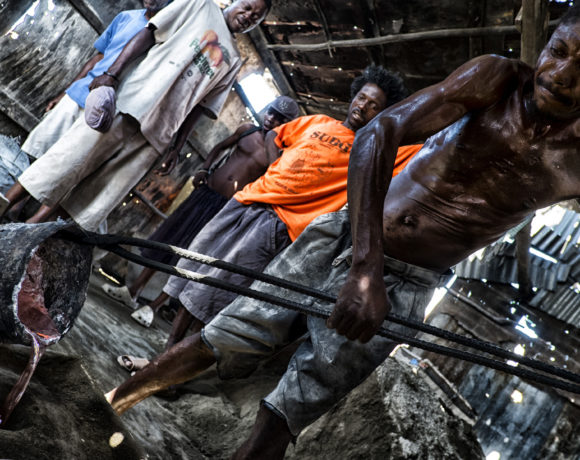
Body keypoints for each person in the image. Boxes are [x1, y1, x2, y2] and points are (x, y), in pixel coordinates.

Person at [104, 5, 580, 458]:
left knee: (293, 409)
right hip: (346, 235)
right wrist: (365, 267)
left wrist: (374, 280)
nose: (561, 75)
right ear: (546, 43)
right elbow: (379, 133)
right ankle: (109, 404)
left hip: (407, 285)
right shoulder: (496, 80)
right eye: (558, 51)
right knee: (224, 335)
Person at [118, 66, 422, 369]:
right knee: (194, 272)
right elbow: (276, 135)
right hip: (245, 202)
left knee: (215, 294)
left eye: (374, 106)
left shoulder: (373, 151)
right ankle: (163, 359)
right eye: (362, 98)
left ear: (381, 115)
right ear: (354, 96)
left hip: (278, 224)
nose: (363, 106)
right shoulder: (316, 121)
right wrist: (276, 167)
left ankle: (167, 366)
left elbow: (427, 148)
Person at [1, 0, 270, 230]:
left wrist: (176, 147)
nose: (249, 17)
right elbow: (148, 34)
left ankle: (30, 230)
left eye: (256, 18)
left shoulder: (234, 59)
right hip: (132, 102)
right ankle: (6, 205)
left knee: (96, 193)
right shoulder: (199, 5)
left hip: (157, 134)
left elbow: (201, 106)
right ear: (234, 1)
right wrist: (112, 74)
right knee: (65, 159)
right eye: (248, 7)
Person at [102, 95, 300, 326]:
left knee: (191, 254)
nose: (272, 119)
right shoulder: (247, 130)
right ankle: (134, 291)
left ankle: (154, 306)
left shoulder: (280, 155)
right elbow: (219, 147)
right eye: (271, 112)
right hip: (206, 193)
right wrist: (204, 169)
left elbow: (275, 177)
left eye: (280, 118)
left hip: (226, 210)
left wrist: (273, 142)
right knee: (170, 239)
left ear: (287, 125)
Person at [0, 0, 171, 216]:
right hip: (81, 92)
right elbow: (99, 56)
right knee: (40, 149)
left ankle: (27, 217)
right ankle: (15, 206)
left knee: (67, 165)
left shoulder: (166, 39)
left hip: (106, 110)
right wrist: (66, 92)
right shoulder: (126, 17)